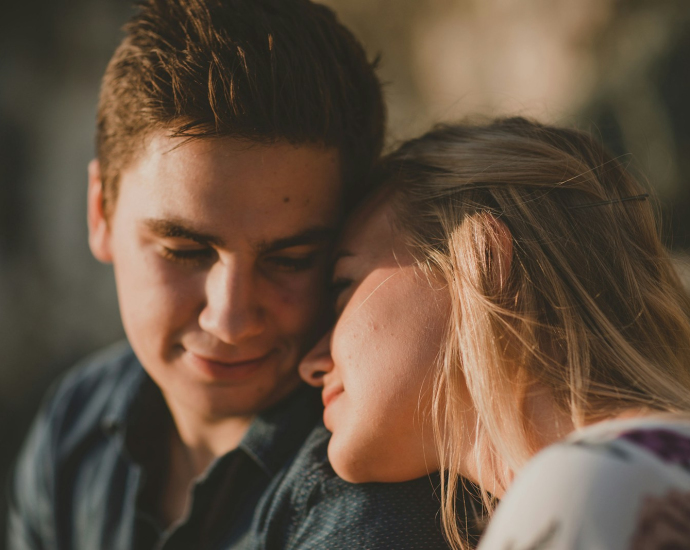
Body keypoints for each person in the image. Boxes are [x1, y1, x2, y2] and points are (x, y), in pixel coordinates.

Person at [7, 1, 456, 548]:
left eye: (290, 260)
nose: (231, 319)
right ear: (99, 212)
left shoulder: (375, 492)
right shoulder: (75, 421)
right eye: (184, 250)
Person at [300, 117, 690, 549]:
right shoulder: (642, 471)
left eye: (342, 286)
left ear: (478, 260)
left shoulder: (591, 489)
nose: (311, 362)